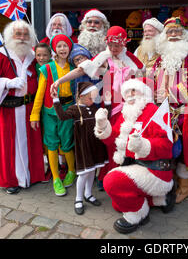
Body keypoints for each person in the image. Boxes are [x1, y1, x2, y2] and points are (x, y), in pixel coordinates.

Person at [50, 26, 144, 184]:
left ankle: (122, 175)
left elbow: (144, 79)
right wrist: (60, 81)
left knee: (125, 141)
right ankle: (109, 174)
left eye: (117, 45)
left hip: (128, 107)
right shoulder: (103, 57)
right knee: (108, 139)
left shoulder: (131, 60)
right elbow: (81, 70)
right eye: (111, 45)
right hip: (108, 107)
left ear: (124, 44)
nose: (113, 49)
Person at [95, 78, 175, 234]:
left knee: (112, 182)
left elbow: (166, 146)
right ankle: (158, 199)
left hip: (155, 169)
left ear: (144, 92)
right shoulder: (126, 112)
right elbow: (113, 139)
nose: (130, 95)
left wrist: (142, 145)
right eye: (127, 92)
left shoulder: (154, 112)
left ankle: (137, 215)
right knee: (117, 204)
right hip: (134, 166)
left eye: (134, 90)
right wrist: (102, 125)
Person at [0, 20, 44, 194]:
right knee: (9, 147)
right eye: (18, 34)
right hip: (9, 111)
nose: (22, 38)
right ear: (9, 36)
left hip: (30, 109)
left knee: (32, 143)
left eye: (25, 34)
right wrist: (6, 83)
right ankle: (11, 180)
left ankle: (34, 175)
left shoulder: (33, 55)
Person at [151, 17, 188, 204]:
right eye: (170, 32)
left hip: (187, 111)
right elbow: (153, 80)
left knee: (186, 149)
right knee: (169, 147)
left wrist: (174, 93)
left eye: (177, 31)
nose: (174, 35)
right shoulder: (160, 59)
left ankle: (184, 188)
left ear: (184, 34)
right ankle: (171, 182)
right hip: (165, 111)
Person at [30, 34, 77, 197]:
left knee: (67, 141)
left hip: (68, 110)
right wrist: (34, 115)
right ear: (54, 50)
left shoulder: (73, 67)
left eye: (65, 46)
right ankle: (56, 178)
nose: (62, 49)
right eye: (59, 46)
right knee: (51, 143)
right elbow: (40, 93)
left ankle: (71, 171)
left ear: (69, 48)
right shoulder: (47, 68)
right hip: (50, 111)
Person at [53, 81, 109, 215]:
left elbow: (106, 118)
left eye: (94, 98)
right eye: (90, 98)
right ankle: (78, 198)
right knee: (83, 173)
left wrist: (107, 103)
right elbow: (62, 116)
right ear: (81, 96)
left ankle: (88, 194)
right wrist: (56, 100)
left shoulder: (95, 109)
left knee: (92, 171)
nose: (92, 101)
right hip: (84, 147)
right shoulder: (75, 109)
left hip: (95, 145)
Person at [34, 42, 53, 182]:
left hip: (49, 107)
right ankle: (45, 165)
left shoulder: (51, 67)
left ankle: (57, 166)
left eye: (44, 55)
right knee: (41, 137)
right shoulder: (33, 67)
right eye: (38, 55)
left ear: (50, 55)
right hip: (35, 106)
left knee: (51, 138)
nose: (41, 58)